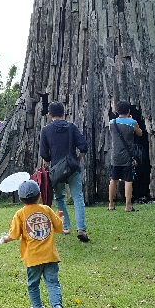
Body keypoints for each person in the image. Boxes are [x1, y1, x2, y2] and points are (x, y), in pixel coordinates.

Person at [0, 179, 66, 308]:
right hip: (50, 256)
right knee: (53, 284)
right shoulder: (47, 210)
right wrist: (61, 218)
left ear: (20, 199)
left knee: (33, 285)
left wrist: (3, 239)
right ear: (40, 196)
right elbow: (59, 228)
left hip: (33, 259)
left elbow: (13, 235)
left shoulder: (20, 214)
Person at [39, 101, 89, 243]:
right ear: (64, 113)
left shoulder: (46, 130)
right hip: (72, 167)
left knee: (59, 198)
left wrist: (52, 159)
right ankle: (81, 229)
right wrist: (77, 158)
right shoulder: (71, 127)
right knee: (77, 197)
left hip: (56, 170)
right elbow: (83, 146)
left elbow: (43, 153)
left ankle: (66, 226)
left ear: (49, 115)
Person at [109, 100, 143, 213]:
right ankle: (128, 206)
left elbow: (112, 133)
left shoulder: (112, 123)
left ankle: (111, 204)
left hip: (115, 156)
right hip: (128, 156)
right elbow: (140, 133)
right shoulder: (132, 123)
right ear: (128, 111)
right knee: (128, 180)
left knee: (113, 180)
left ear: (117, 111)